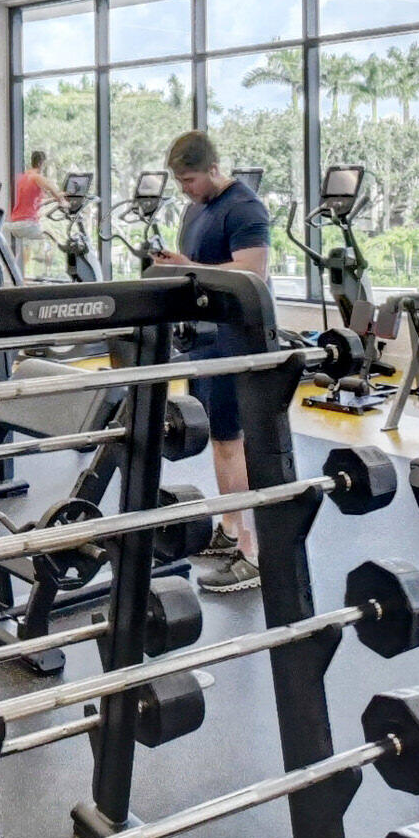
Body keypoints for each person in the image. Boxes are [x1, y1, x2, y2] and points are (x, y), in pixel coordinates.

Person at [149, 131, 272, 594]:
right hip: (205, 339)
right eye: (180, 182)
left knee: (234, 443)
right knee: (221, 442)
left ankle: (252, 552)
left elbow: (252, 271)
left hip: (239, 339)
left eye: (190, 179)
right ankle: (227, 528)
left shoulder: (245, 207)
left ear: (214, 168)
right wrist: (178, 265)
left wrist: (189, 266)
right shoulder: (195, 208)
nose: (185, 188)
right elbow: (198, 264)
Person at [8, 151, 52, 276]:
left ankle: (18, 276)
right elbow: (50, 188)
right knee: (50, 239)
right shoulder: (36, 177)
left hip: (17, 221)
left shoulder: (23, 178)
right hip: (29, 223)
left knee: (24, 250)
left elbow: (34, 202)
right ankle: (45, 273)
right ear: (40, 163)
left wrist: (54, 199)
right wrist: (61, 199)